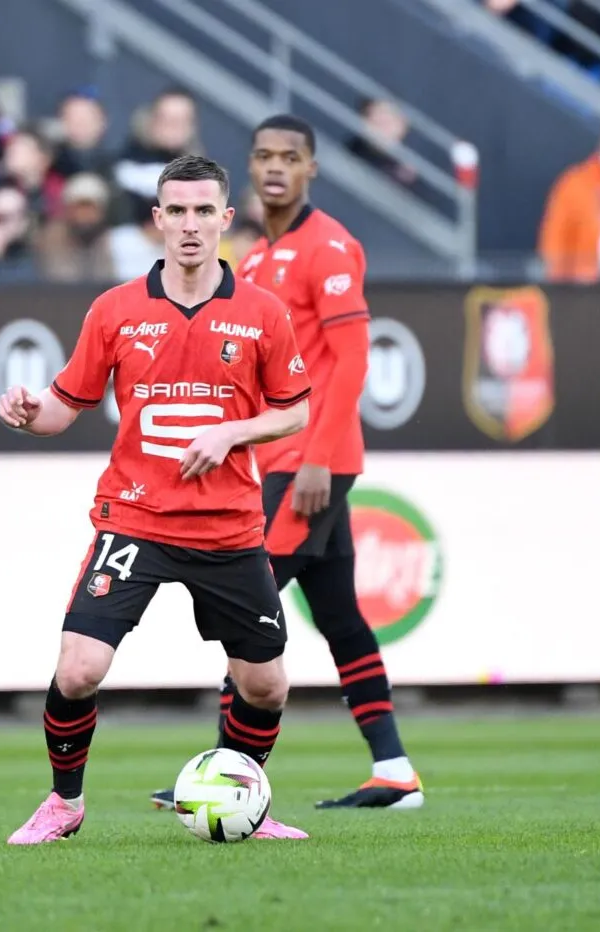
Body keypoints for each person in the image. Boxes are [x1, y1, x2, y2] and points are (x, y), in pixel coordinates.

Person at [0, 155, 313, 845]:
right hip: (134, 519)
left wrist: (234, 430)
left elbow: (295, 411)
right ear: (157, 220)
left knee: (265, 687)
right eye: (178, 211)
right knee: (79, 667)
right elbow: (62, 406)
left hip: (228, 527)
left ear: (227, 219)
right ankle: (63, 803)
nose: (192, 225)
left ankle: (245, 803)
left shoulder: (263, 313)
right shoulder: (115, 310)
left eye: (206, 211)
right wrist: (28, 412)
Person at [150, 115, 424, 812]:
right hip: (277, 459)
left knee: (248, 607)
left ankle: (228, 771)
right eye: (264, 156)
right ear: (250, 168)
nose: (276, 167)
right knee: (340, 616)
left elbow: (353, 359)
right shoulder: (260, 256)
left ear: (312, 169)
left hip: (310, 465)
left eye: (290, 157)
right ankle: (394, 771)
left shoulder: (329, 247)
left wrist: (320, 461)